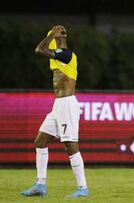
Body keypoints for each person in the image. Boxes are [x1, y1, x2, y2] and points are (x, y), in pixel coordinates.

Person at [20, 25, 90, 198]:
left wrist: (51, 34)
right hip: (57, 106)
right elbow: (43, 49)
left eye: (63, 30)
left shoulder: (67, 55)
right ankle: (40, 185)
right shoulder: (55, 57)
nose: (61, 30)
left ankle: (83, 188)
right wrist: (51, 37)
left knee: (70, 147)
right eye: (57, 30)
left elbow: (39, 49)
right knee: (40, 141)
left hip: (67, 105)